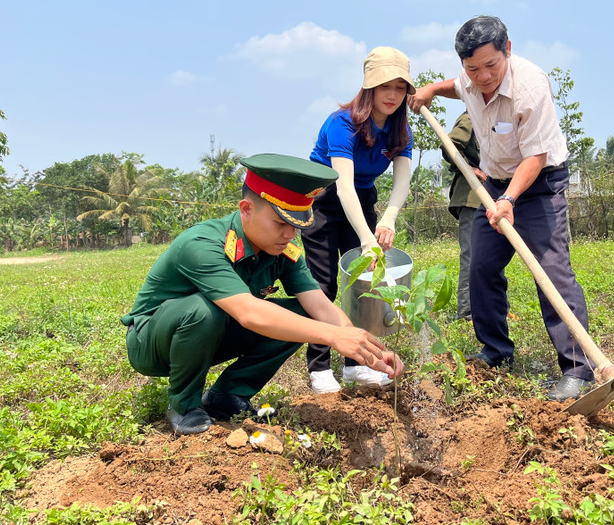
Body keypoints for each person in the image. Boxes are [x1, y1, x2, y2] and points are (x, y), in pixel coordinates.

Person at [121, 154, 404, 435]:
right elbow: (249, 313)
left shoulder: (280, 251)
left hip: (213, 334)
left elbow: (320, 306)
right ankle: (184, 405)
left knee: (305, 316)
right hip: (153, 342)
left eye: (296, 225)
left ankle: (227, 396)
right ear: (246, 209)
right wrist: (332, 336)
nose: (290, 235)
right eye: (281, 223)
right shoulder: (203, 244)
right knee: (203, 310)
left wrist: (370, 350)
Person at [408, 15, 594, 401]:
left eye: (491, 65)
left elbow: (536, 155)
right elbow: (456, 87)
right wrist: (428, 90)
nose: (483, 76)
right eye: (472, 68)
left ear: (507, 50)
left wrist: (509, 199)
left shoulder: (530, 86)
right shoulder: (470, 78)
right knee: (481, 265)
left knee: (551, 270)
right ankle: (495, 352)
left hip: (539, 183)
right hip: (493, 185)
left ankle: (578, 369)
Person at [300, 47, 414, 394]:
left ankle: (357, 365)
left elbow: (402, 180)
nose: (393, 96)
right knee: (324, 284)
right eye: (385, 87)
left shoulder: (400, 130)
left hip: (361, 200)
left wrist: (389, 219)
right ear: (369, 88)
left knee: (364, 283)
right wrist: (367, 239)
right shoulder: (343, 123)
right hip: (322, 200)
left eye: (400, 87)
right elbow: (342, 185)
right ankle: (319, 368)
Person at [442, 112, 484, 321]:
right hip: (471, 197)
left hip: (488, 198)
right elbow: (450, 145)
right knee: (471, 256)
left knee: (491, 257)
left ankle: (494, 308)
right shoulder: (471, 117)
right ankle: (466, 313)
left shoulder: (492, 116)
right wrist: (469, 169)